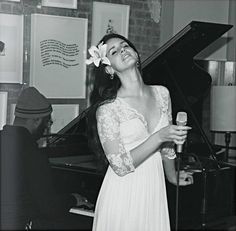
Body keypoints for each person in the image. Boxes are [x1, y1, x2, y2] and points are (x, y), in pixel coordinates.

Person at [85, 33, 194, 231]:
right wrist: (160, 136)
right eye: (114, 51)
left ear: (136, 53)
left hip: (154, 188)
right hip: (123, 192)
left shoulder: (162, 93)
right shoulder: (108, 109)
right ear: (109, 68)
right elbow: (119, 166)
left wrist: (172, 175)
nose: (123, 50)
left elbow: (167, 148)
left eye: (125, 45)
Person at [0, 87, 93, 230]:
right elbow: (49, 208)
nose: (47, 127)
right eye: (47, 121)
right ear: (37, 120)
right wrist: (74, 198)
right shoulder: (32, 154)